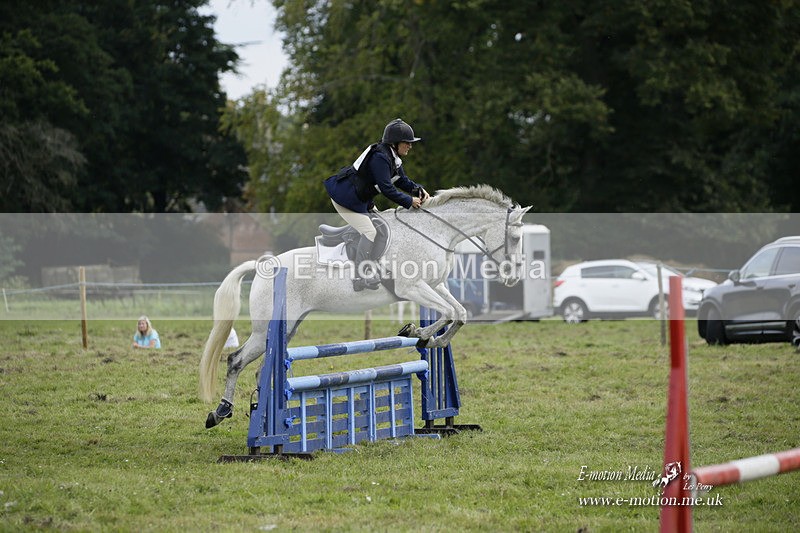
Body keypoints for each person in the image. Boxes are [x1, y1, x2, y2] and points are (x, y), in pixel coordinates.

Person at [324, 118, 430, 291]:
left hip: (360, 200)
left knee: (384, 226)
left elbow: (401, 180)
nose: (410, 146)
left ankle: (374, 265)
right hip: (344, 199)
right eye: (407, 142)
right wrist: (409, 201)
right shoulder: (380, 158)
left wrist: (417, 190)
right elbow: (387, 189)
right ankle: (359, 277)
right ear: (395, 143)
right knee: (370, 231)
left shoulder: (392, 157)